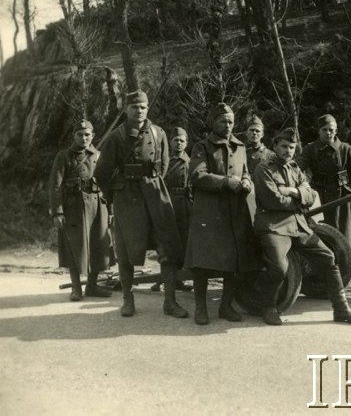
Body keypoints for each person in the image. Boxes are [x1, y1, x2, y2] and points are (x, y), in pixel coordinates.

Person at [253, 127, 351, 326]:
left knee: (329, 258)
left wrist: (292, 191)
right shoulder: (264, 169)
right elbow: (273, 200)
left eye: (292, 147)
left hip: (299, 225)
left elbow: (311, 195)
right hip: (274, 226)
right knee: (280, 267)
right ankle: (269, 307)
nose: (288, 151)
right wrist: (300, 197)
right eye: (284, 146)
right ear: (275, 147)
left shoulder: (295, 169)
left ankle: (341, 309)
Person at [94, 90, 188, 318]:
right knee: (126, 253)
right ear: (126, 109)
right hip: (128, 198)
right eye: (135, 107)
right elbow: (102, 173)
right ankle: (128, 300)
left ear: (148, 109)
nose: (139, 111)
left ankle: (170, 301)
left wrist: (152, 182)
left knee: (167, 248)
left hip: (155, 195)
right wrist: (117, 193)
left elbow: (163, 165)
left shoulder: (158, 133)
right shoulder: (116, 137)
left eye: (143, 107)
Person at [184, 103, 261, 325]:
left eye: (230, 121)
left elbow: (246, 171)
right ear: (213, 122)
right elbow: (197, 176)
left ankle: (225, 306)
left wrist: (246, 180)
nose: (228, 125)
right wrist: (227, 182)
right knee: (203, 263)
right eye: (222, 121)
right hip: (210, 212)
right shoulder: (202, 146)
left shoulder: (240, 147)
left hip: (235, 211)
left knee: (233, 262)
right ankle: (201, 308)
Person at [49, 119, 114, 301]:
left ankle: (92, 286)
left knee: (98, 246)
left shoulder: (99, 156)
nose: (84, 138)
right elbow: (55, 186)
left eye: (87, 135)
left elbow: (107, 185)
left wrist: (110, 211)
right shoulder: (63, 156)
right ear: (74, 136)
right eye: (80, 134)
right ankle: (76, 288)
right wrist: (58, 211)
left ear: (92, 136)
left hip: (97, 206)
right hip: (73, 208)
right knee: (74, 247)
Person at [299, 114, 351, 250]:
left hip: (341, 196)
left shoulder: (345, 149)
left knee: (341, 233)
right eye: (324, 129)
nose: (328, 133)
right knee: (320, 231)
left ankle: (342, 265)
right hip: (318, 196)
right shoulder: (310, 149)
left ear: (336, 131)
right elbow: (298, 169)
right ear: (318, 131)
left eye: (331, 130)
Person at [151, 127, 192, 292]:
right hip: (168, 204)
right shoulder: (164, 161)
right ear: (170, 142)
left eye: (182, 140)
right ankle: (164, 279)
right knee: (167, 244)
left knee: (183, 242)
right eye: (176, 140)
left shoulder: (191, 162)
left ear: (187, 143)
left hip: (185, 206)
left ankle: (178, 280)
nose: (179, 144)